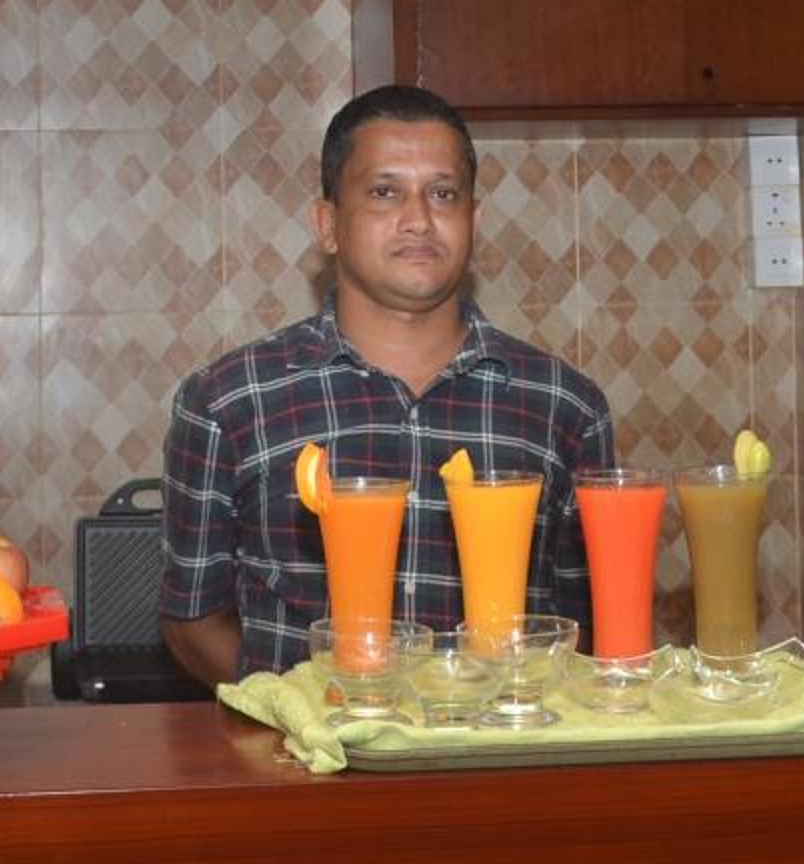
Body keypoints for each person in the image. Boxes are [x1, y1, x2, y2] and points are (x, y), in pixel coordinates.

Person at [159, 83, 616, 684]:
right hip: (304, 744)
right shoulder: (227, 401)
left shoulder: (564, 406)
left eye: (443, 194)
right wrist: (293, 716)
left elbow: (586, 631)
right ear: (328, 225)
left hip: (500, 741)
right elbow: (193, 624)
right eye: (384, 192)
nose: (419, 220)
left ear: (473, 220)